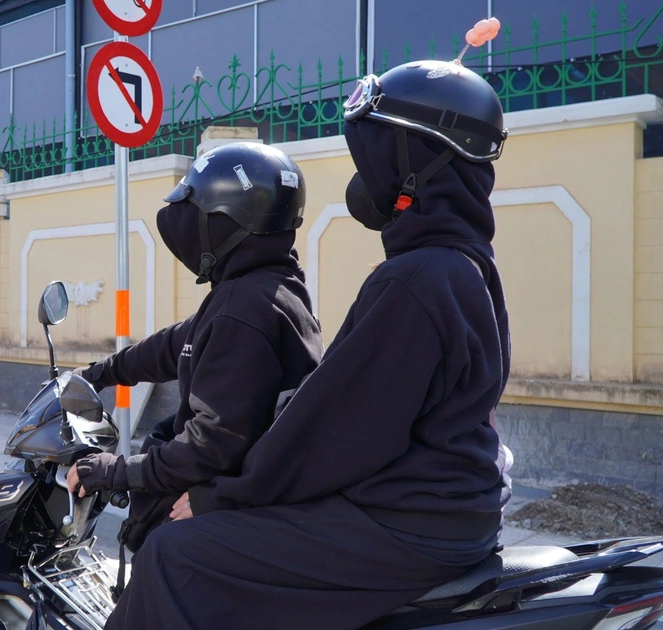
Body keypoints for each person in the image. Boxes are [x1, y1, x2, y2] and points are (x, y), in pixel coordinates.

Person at [91, 56, 514, 630]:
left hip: (409, 521)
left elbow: (334, 432)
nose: (369, 175)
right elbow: (337, 411)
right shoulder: (464, 265)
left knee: (174, 553)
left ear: (415, 160)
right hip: (443, 510)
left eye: (380, 152)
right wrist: (110, 370)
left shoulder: (416, 279)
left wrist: (220, 499)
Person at [65, 142, 323, 555]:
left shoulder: (241, 311)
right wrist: (102, 372)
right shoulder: (269, 285)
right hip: (250, 492)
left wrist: (116, 471)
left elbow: (211, 443)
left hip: (225, 509)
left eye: (195, 213)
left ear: (225, 222)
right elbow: (181, 342)